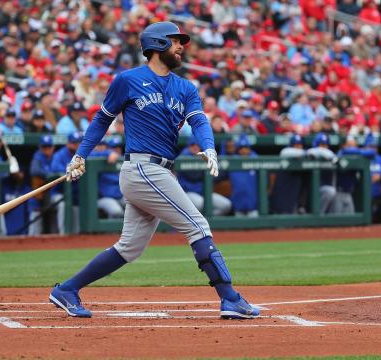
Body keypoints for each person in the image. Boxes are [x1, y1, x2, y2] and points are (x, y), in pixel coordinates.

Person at [50, 21, 259, 320]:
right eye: (175, 41)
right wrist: (80, 155)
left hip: (160, 171)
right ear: (158, 44)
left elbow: (199, 121)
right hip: (142, 168)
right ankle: (230, 298)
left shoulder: (185, 87)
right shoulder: (127, 80)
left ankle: (67, 289)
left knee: (129, 248)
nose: (181, 47)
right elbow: (101, 120)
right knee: (197, 226)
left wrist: (209, 146)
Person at [177, 138, 232, 216]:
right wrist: (208, 171)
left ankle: (206, 222)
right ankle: (198, 222)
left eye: (197, 145)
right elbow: (194, 176)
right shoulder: (184, 156)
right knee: (201, 204)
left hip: (204, 193)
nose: (195, 147)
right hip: (188, 193)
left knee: (226, 205)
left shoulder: (204, 156)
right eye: (192, 145)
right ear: (188, 146)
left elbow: (218, 175)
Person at [50, 132, 82, 234]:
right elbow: (55, 169)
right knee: (63, 204)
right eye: (73, 143)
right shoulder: (59, 155)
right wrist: (70, 170)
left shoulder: (82, 155)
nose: (76, 145)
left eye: (78, 143)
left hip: (75, 194)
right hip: (59, 193)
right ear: (68, 143)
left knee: (79, 204)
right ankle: (63, 234)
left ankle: (76, 237)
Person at [89, 138, 125, 219]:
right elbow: (90, 156)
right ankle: (111, 231)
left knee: (138, 206)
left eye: (118, 148)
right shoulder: (97, 158)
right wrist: (108, 153)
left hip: (121, 196)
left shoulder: (121, 159)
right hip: (103, 198)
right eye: (114, 148)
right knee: (117, 212)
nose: (117, 150)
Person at [28, 135, 55, 235]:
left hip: (52, 194)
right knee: (35, 221)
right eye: (44, 147)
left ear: (53, 147)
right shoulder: (38, 157)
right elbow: (34, 170)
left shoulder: (55, 157)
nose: (47, 149)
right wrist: (48, 174)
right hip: (39, 196)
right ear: (40, 147)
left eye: (49, 147)